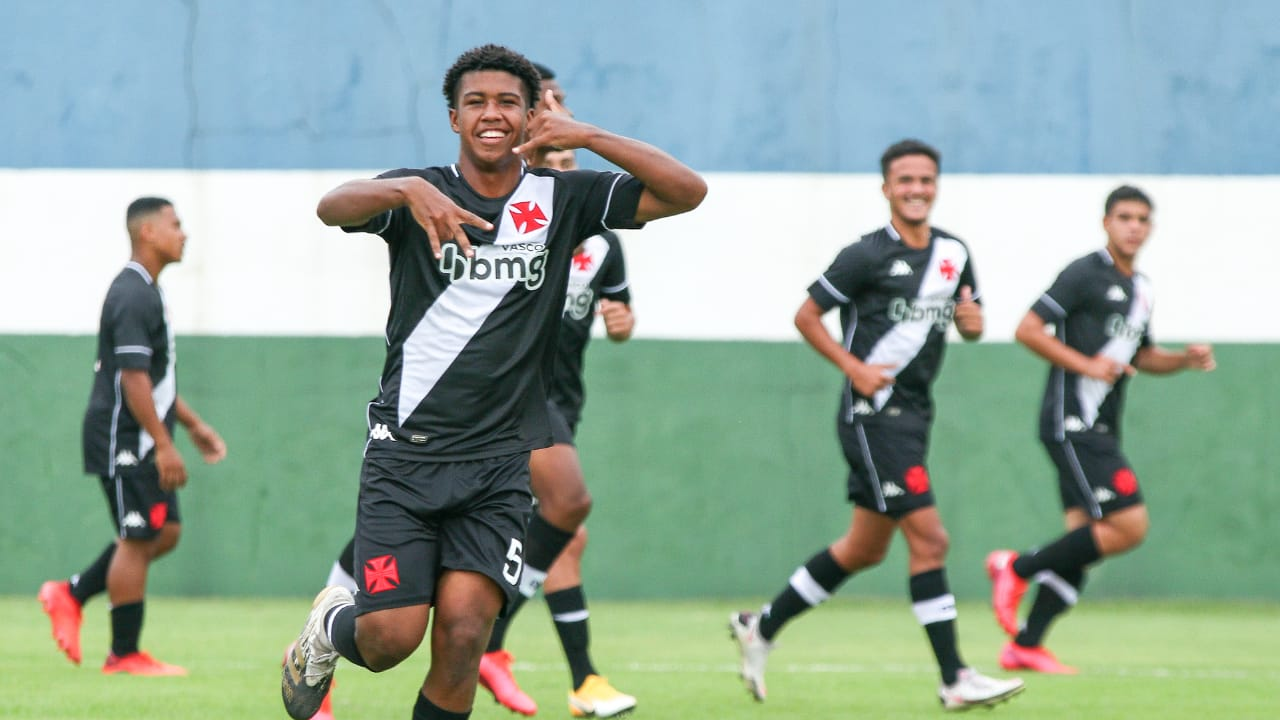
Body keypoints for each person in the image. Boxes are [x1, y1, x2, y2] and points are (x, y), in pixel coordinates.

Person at [279, 44, 705, 720]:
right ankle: (328, 628)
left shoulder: (564, 198)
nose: (492, 114)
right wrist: (403, 189)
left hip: (499, 464)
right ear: (454, 117)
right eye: (476, 102)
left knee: (462, 638)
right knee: (391, 639)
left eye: (509, 101)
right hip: (405, 457)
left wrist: (588, 135)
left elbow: (688, 191)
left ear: (533, 114)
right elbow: (332, 207)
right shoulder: (420, 191)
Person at [728, 139, 1024, 712]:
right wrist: (852, 367)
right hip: (872, 417)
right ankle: (954, 677)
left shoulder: (954, 253)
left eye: (926, 180)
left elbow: (974, 325)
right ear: (886, 188)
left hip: (915, 417)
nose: (916, 189)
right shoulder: (864, 255)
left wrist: (971, 321)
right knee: (931, 540)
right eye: (905, 180)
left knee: (863, 549)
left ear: (936, 186)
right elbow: (806, 315)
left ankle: (760, 626)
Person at [986, 185, 1216, 674]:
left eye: (1142, 219)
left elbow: (1143, 356)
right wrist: (1085, 366)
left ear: (1150, 228)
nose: (1133, 226)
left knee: (1085, 539)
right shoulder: (1083, 273)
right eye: (1124, 217)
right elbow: (1027, 329)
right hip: (1073, 423)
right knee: (1129, 526)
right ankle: (1016, 567)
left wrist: (1183, 360)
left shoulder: (1143, 289)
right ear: (1106, 222)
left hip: (1103, 427)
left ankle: (1025, 644)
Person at [477, 146, 638, 719]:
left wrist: (622, 323)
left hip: (561, 406)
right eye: (549, 157)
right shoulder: (504, 225)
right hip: (508, 400)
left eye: (570, 158)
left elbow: (618, 313)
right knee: (568, 505)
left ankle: (582, 680)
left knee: (565, 534)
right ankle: (489, 642)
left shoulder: (602, 244)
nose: (562, 170)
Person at [38, 196, 227, 676]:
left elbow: (153, 377)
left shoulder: (149, 289)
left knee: (163, 532)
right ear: (147, 233)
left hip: (141, 433)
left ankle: (73, 591)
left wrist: (191, 425)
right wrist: (163, 444)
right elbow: (131, 377)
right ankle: (123, 654)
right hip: (124, 437)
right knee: (138, 537)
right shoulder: (132, 292)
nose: (184, 233)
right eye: (175, 224)